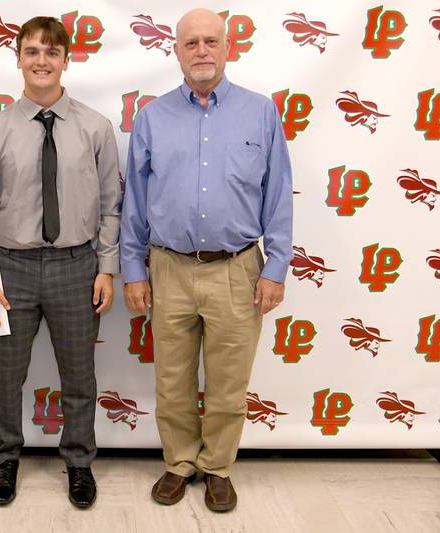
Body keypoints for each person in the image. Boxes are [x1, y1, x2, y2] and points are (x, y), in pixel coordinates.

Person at [120, 8, 293, 512]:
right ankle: (179, 463)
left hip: (239, 268)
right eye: (190, 43)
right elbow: (135, 202)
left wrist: (276, 268)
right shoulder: (152, 117)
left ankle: (217, 466)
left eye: (210, 42)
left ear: (227, 48)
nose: (201, 51)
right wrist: (134, 270)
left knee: (228, 381)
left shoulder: (260, 112)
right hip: (168, 266)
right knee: (171, 378)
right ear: (175, 51)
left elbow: (278, 194)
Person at [0, 16, 122, 509]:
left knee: (79, 374)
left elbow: (111, 205)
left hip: (77, 268)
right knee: (5, 374)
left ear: (66, 59)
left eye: (51, 52)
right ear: (18, 58)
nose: (41, 61)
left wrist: (106, 267)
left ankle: (78, 462)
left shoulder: (96, 127)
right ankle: (6, 456)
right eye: (31, 51)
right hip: (12, 271)